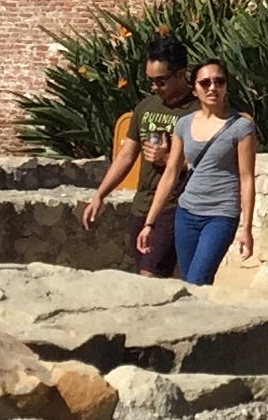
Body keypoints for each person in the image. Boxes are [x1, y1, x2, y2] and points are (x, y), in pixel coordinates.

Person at [139, 58, 259, 284]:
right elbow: (171, 172)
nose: (212, 88)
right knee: (189, 284)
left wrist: (247, 228)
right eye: (205, 83)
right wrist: (150, 223)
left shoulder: (241, 127)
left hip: (221, 214)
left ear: (225, 87)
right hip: (186, 213)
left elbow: (246, 178)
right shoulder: (183, 124)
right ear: (194, 89)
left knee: (198, 279)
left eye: (219, 82)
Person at [82, 34, 191, 274]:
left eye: (161, 81)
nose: (154, 87)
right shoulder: (145, 107)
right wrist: (100, 195)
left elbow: (210, 163)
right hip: (141, 205)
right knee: (142, 274)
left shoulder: (197, 111)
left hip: (174, 206)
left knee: (149, 274)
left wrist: (169, 160)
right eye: (150, 81)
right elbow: (126, 156)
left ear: (181, 74)